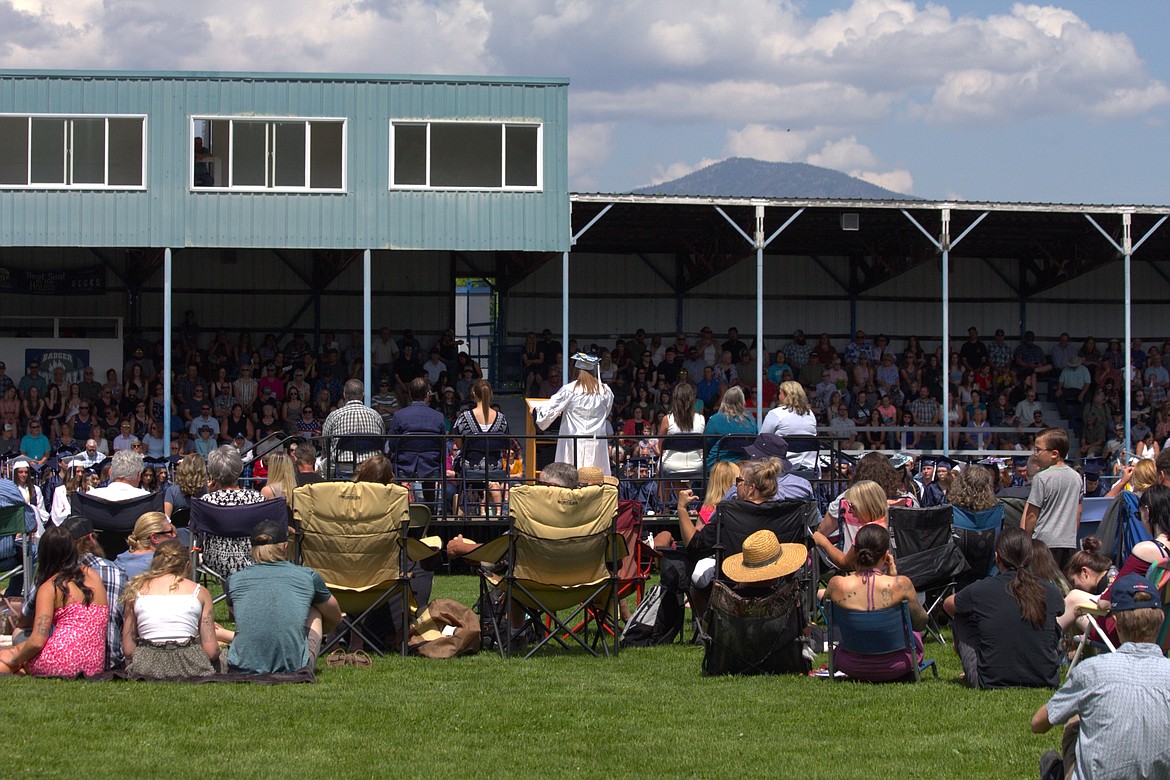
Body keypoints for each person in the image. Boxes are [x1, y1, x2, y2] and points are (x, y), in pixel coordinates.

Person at [1031, 573, 1170, 780]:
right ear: (1161, 619)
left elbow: (1039, 724)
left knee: (1076, 717)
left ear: (1116, 622)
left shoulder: (1093, 671)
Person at [943, 526, 1063, 689]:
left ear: (997, 557)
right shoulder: (1051, 591)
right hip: (1045, 678)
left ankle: (980, 664)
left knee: (961, 616)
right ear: (1029, 557)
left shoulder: (981, 590)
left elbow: (948, 604)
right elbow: (1060, 610)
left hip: (991, 680)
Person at [224, 519, 343, 674]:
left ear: (252, 549)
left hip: (243, 666)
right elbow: (335, 615)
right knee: (314, 608)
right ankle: (301, 656)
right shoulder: (307, 576)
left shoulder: (234, 580)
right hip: (294, 668)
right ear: (285, 547)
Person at [0, 525, 109, 677]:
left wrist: (15, 659)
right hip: (93, 664)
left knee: (10, 656)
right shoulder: (92, 575)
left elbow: (37, 640)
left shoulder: (51, 587)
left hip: (62, 660)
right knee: (22, 661)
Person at [824, 524, 929, 681]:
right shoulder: (901, 585)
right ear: (886, 555)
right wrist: (894, 578)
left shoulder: (836, 585)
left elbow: (829, 618)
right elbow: (920, 623)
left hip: (851, 664)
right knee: (914, 632)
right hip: (898, 664)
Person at [121, 538, 221, 679]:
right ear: (187, 565)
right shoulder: (199, 592)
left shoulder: (136, 590)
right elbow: (211, 651)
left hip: (146, 665)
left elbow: (128, 649)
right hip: (191, 663)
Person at [534, 353, 615, 474]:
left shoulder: (570, 389)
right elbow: (607, 411)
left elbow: (550, 409)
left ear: (576, 371)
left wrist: (535, 411)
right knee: (594, 472)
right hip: (596, 438)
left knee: (572, 469)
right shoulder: (605, 391)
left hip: (573, 437)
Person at [1022, 428, 1083, 569]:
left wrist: (1026, 539)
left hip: (1043, 543)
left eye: (1038, 450)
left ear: (1054, 453)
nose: (1035, 454)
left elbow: (1032, 514)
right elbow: (1078, 512)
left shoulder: (1041, 478)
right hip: (1068, 543)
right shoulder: (1076, 477)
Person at [452, 379, 510, 515]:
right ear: (490, 394)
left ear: (473, 393)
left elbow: (459, 445)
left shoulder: (464, 417)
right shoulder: (502, 419)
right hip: (494, 468)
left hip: (470, 468)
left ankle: (464, 505)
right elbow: (505, 442)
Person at [813, 480, 889, 570]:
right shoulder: (883, 523)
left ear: (866, 506)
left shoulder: (867, 532)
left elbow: (846, 563)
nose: (850, 511)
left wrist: (824, 542)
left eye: (853, 506)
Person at [320, 379, 384, 474]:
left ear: (344, 394)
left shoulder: (334, 416)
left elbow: (325, 444)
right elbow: (381, 440)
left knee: (322, 465)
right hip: (371, 467)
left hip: (343, 467)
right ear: (362, 395)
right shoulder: (376, 416)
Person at [758, 381, 818, 478]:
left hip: (782, 467)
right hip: (810, 465)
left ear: (786, 395)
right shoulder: (810, 414)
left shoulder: (776, 414)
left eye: (780, 393)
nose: (778, 396)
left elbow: (761, 440)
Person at [703, 385, 757, 473]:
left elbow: (706, 444)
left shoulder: (716, 419)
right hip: (743, 466)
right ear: (742, 401)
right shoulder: (751, 420)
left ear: (725, 401)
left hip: (718, 466)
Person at [113, 511, 177, 578]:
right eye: (171, 532)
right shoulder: (161, 567)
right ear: (154, 538)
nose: (174, 535)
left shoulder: (118, 561)